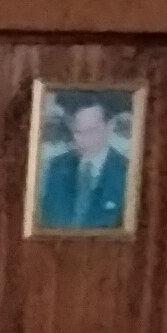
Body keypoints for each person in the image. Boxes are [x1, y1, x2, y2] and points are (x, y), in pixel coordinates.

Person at [38, 97, 133, 233]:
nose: (83, 140)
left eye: (92, 131)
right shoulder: (56, 166)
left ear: (110, 127)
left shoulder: (127, 171)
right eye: (78, 132)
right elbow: (46, 218)